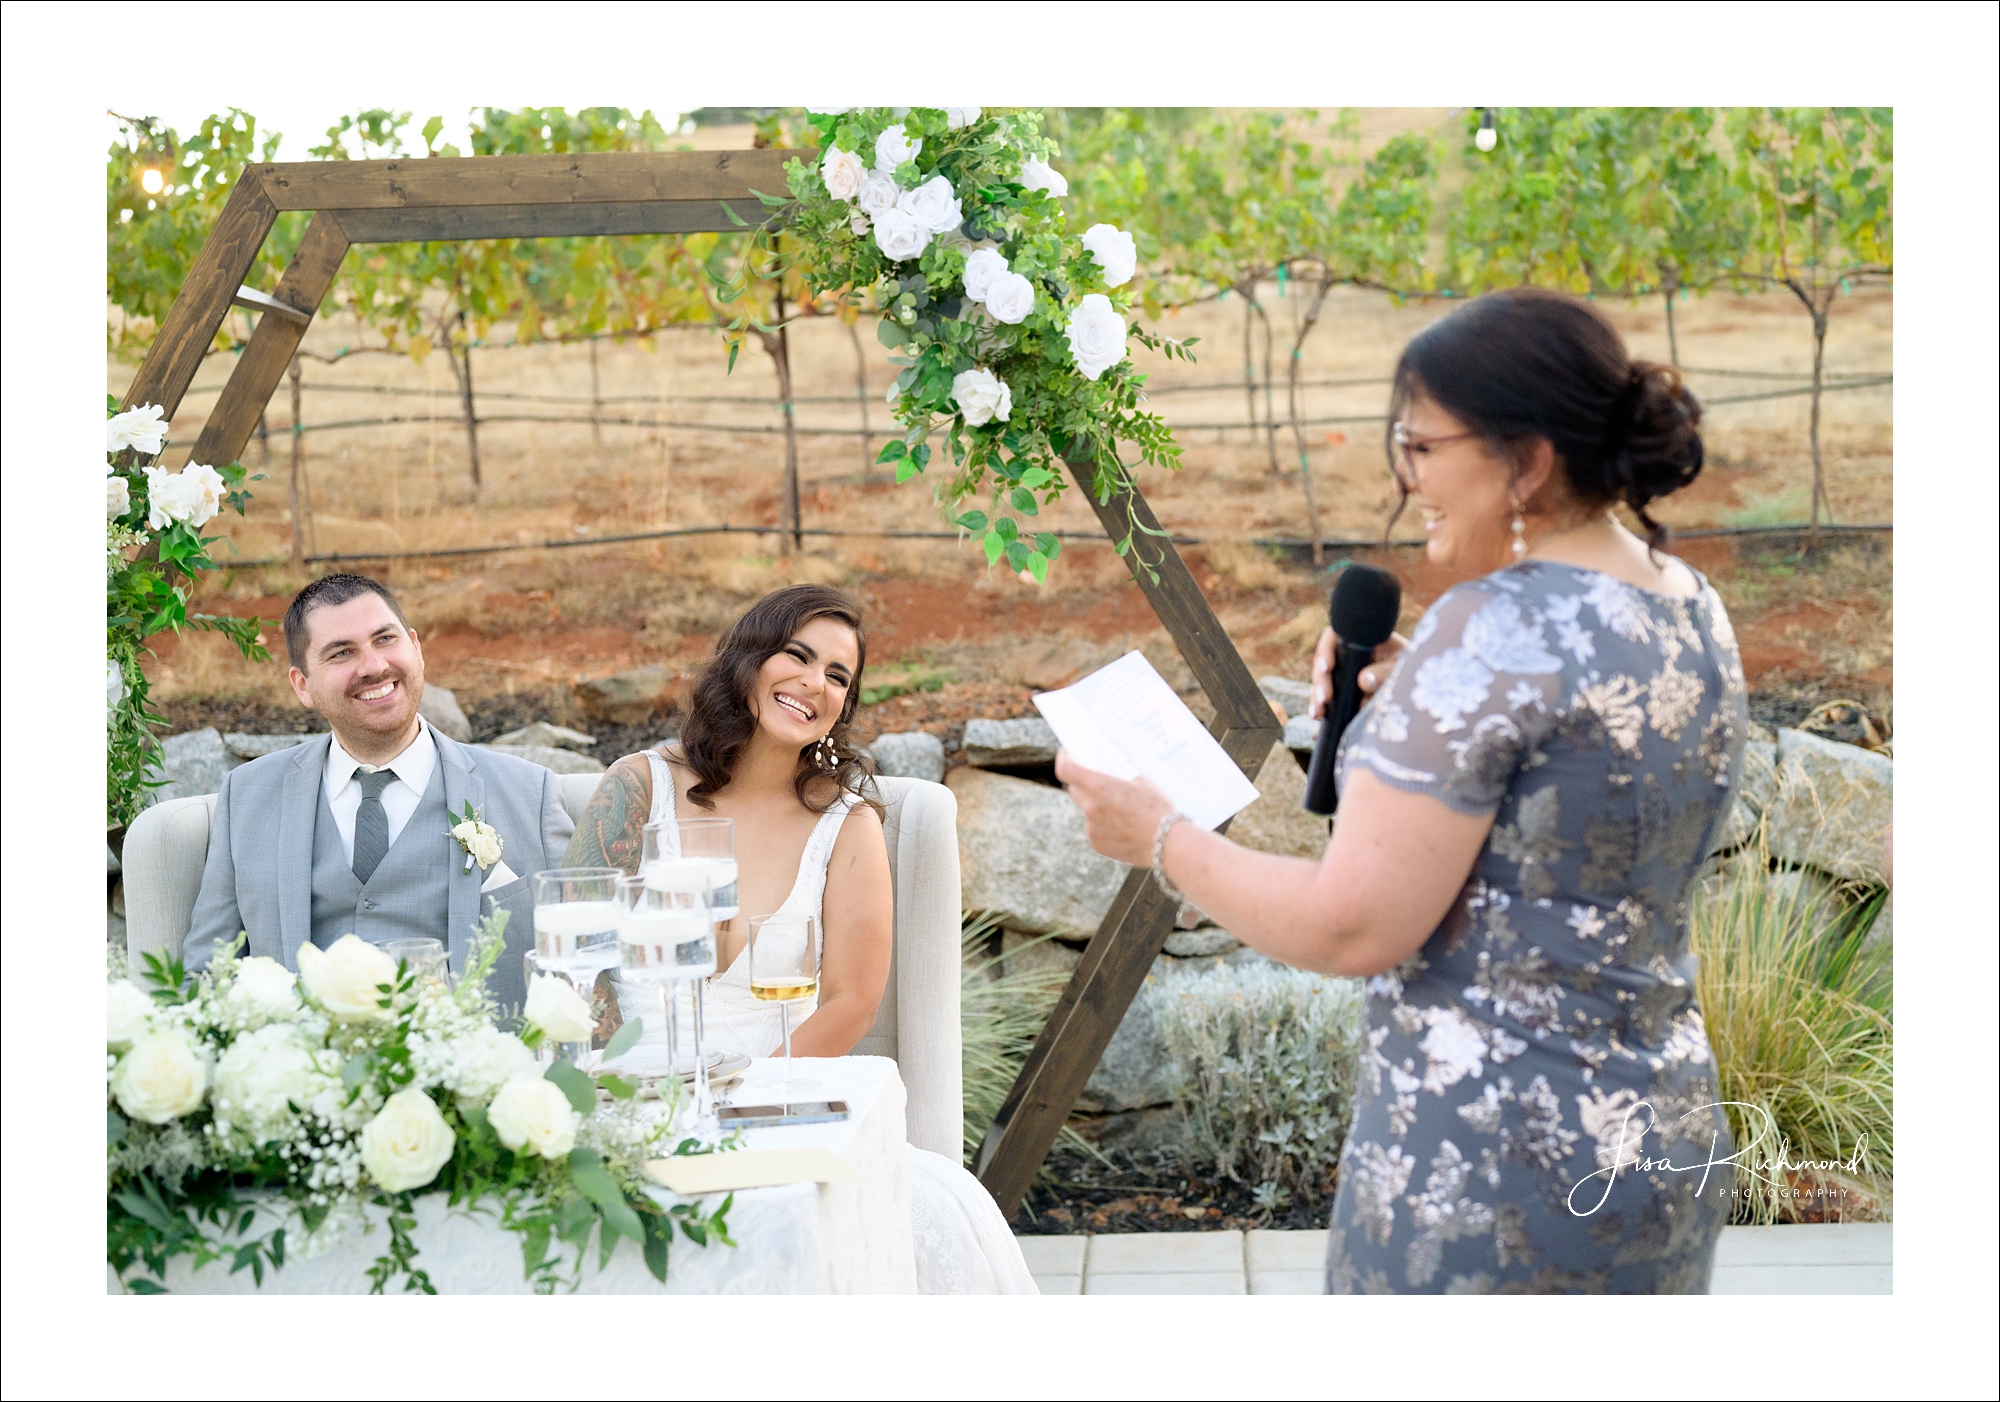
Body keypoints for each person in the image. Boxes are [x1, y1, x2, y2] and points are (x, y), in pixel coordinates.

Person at [1059, 287, 1746, 1293]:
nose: (1401, 473)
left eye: (1421, 447)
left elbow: (1350, 927)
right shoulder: (1690, 605)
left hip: (1492, 1169)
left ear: (1525, 460)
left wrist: (1157, 835)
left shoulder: (1490, 631)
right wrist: (1413, 693)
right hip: (1656, 1140)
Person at [568, 583, 1036, 1295]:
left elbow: (851, 1000)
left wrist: (739, 1108)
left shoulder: (847, 825)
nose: (815, 683)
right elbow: (576, 966)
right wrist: (621, 1101)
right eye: (797, 655)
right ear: (750, 661)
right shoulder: (636, 787)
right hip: (632, 1101)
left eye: (839, 677)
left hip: (771, 1108)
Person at [184, 573, 573, 1011]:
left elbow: (584, 961)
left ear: (416, 649)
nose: (373, 666)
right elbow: (207, 974)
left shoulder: (529, 793)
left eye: (385, 639)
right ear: (302, 685)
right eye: (342, 652)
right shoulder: (248, 796)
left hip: (471, 1065)